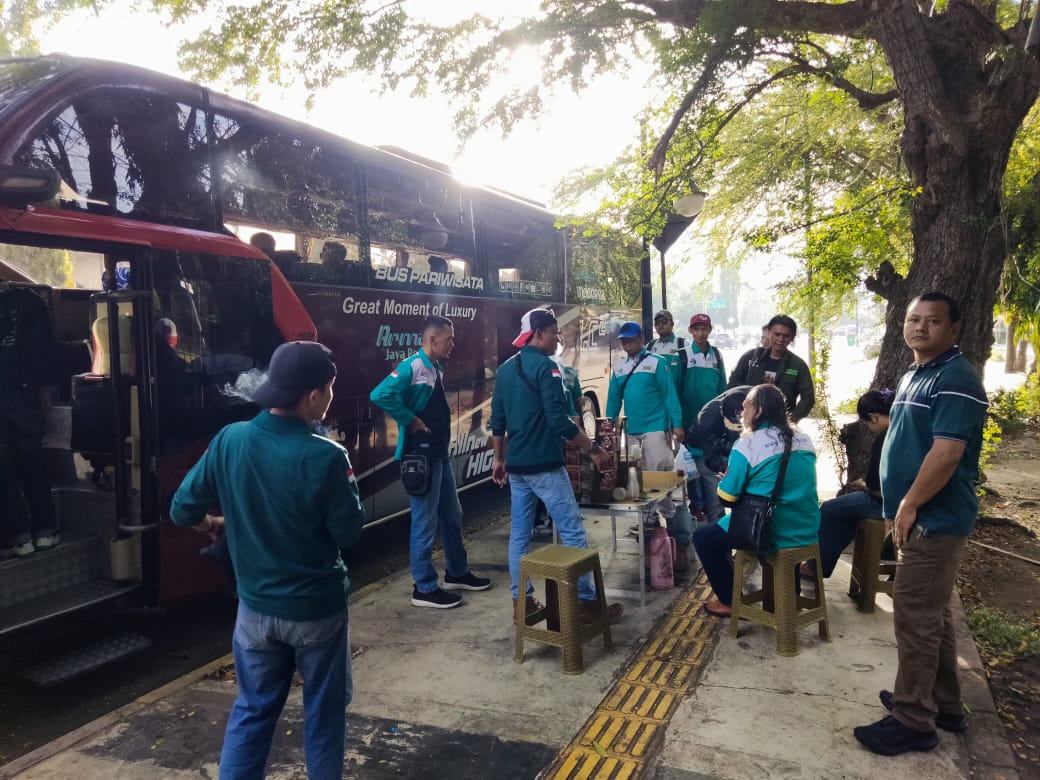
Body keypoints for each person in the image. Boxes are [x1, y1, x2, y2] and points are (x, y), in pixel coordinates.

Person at [169, 341, 364, 779]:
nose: (332, 396)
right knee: (324, 713)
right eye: (330, 388)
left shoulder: (230, 439)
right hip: (316, 612)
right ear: (312, 395)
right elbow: (348, 533)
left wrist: (212, 524)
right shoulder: (328, 456)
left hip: (254, 612)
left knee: (253, 710)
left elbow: (182, 509)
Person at [853, 292, 988, 756]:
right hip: (914, 515)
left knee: (914, 616)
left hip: (935, 518)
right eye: (914, 319)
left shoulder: (957, 379)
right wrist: (896, 506)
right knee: (934, 615)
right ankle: (944, 704)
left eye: (933, 321)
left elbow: (946, 453)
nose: (920, 327)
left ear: (954, 329)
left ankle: (913, 720)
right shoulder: (915, 374)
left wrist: (909, 505)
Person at [490, 307, 623, 625]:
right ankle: (586, 604)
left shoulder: (505, 370)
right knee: (572, 531)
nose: (558, 338)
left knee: (519, 535)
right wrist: (594, 449)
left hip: (517, 467)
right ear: (538, 334)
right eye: (553, 332)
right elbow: (558, 420)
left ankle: (522, 603)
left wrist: (498, 458)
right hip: (545, 465)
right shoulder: (548, 368)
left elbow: (498, 419)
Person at [370, 315, 491, 609]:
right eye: (449, 339)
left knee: (452, 514)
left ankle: (457, 573)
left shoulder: (434, 367)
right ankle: (424, 588)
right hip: (421, 456)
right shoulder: (413, 366)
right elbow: (380, 394)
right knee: (424, 522)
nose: (453, 344)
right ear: (432, 340)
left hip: (439, 454)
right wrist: (410, 420)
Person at [692, 383, 820, 617]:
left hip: (771, 529)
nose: (742, 413)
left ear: (759, 411)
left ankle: (730, 600)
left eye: (746, 407)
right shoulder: (803, 438)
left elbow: (727, 497)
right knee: (780, 511)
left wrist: (726, 480)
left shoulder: (748, 443)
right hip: (807, 525)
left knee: (704, 539)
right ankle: (790, 595)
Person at [605, 321, 692, 572]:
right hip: (632, 431)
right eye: (623, 339)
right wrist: (608, 427)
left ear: (641, 339)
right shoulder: (619, 367)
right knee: (640, 480)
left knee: (659, 478)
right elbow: (613, 400)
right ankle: (652, 522)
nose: (627, 343)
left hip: (655, 428)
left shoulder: (657, 362)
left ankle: (673, 526)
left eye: (631, 339)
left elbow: (670, 396)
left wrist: (677, 424)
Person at [0, 287, 59, 557]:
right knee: (32, 461)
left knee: (3, 468)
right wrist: (46, 390)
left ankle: (18, 536)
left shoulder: (28, 302)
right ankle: (45, 530)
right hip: (27, 395)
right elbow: (47, 352)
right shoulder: (30, 302)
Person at [812, 390, 894, 578]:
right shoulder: (908, 430)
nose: (869, 429)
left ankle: (817, 567)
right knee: (848, 508)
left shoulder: (885, 438)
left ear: (874, 417)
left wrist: (862, 484)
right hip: (903, 498)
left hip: (884, 502)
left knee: (829, 509)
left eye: (867, 424)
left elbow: (874, 487)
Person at [678, 313, 728, 522]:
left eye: (704, 329)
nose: (700, 333)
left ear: (710, 330)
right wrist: (677, 424)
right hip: (687, 425)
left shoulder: (716, 355)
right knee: (689, 470)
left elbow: (723, 389)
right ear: (690, 331)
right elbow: (675, 391)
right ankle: (695, 509)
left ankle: (716, 518)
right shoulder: (683, 355)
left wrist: (724, 422)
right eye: (696, 329)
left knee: (709, 471)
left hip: (711, 427)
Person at [728, 315, 815, 421]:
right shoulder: (751, 357)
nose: (781, 339)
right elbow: (732, 386)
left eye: (786, 336)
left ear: (792, 337)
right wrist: (740, 414)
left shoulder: (798, 365)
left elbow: (808, 398)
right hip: (748, 422)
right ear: (769, 333)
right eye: (777, 334)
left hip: (780, 423)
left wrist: (791, 420)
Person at [685, 385, 750, 525]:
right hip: (703, 448)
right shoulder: (707, 419)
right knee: (714, 487)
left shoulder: (758, 399)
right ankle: (717, 524)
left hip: (728, 441)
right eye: (733, 423)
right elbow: (711, 459)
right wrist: (730, 470)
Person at [647, 309, 684, 391]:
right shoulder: (649, 346)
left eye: (664, 322)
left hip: (678, 394)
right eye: (657, 323)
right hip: (655, 395)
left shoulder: (683, 344)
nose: (660, 325)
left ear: (672, 324)